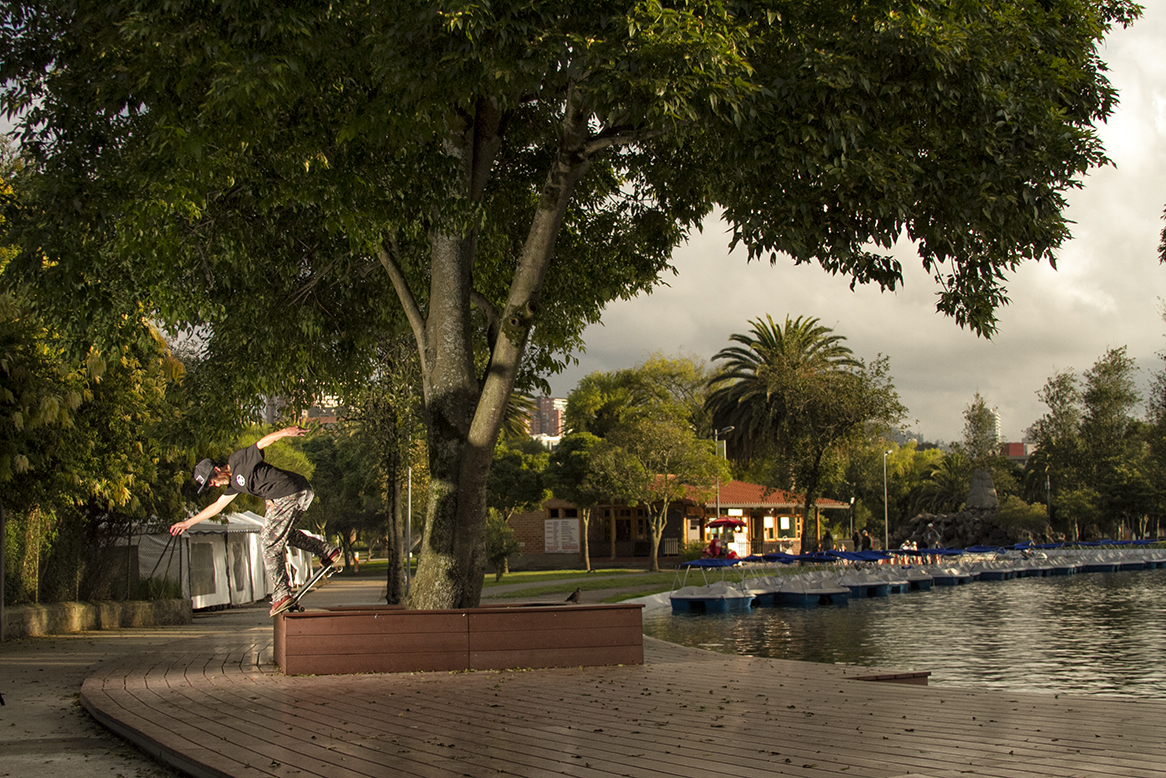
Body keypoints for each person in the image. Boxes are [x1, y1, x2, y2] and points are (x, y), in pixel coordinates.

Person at [170, 426, 341, 616]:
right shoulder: (234, 485)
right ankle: (326, 550)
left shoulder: (237, 461)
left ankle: (282, 594)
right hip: (301, 491)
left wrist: (285, 432)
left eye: (212, 481)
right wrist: (188, 523)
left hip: (287, 492)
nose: (214, 485)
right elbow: (217, 507)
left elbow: (261, 443)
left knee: (268, 542)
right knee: (282, 535)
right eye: (210, 486)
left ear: (216, 470)